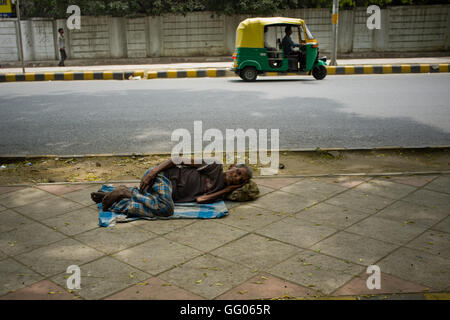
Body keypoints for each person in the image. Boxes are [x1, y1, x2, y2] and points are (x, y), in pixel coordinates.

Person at [91, 158, 252, 218]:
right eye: (237, 172)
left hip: (161, 195)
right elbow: (177, 159)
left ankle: (114, 199)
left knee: (157, 207)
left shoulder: (220, 193)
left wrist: (227, 190)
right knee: (167, 210)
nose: (236, 177)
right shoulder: (215, 166)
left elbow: (200, 199)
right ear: (231, 166)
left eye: (240, 179)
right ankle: (127, 191)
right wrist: (154, 171)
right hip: (163, 178)